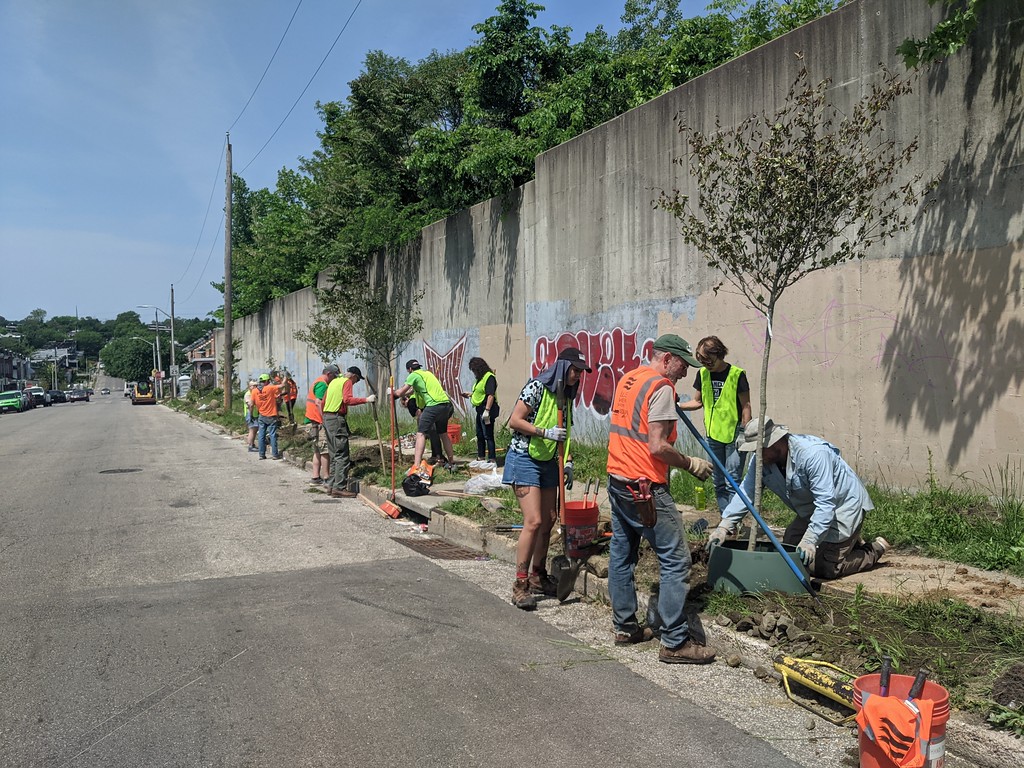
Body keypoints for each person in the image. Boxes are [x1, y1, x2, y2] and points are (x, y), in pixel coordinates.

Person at [606, 334, 716, 664]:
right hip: (646, 489)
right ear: (667, 359)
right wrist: (690, 463)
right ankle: (675, 642)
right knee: (676, 561)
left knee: (622, 554)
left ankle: (625, 627)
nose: (684, 373)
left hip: (618, 481)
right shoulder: (661, 388)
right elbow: (657, 446)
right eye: (682, 365)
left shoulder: (630, 378)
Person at [707, 417, 891, 579]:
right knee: (789, 552)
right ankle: (844, 543)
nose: (757, 455)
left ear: (774, 442)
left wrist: (811, 540)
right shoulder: (763, 460)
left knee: (823, 567)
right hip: (812, 509)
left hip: (842, 507)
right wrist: (725, 525)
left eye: (760, 449)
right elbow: (746, 492)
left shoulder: (812, 455)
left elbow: (826, 503)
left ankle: (872, 550)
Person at [503, 347, 589, 610]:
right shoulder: (537, 387)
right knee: (534, 520)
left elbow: (566, 431)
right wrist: (544, 432)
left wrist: (568, 461)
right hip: (524, 459)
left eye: (581, 372)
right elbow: (514, 421)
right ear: (562, 368)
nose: (577, 376)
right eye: (574, 370)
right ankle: (520, 584)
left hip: (548, 460)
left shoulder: (566, 395)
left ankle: (538, 575)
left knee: (550, 520)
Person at [677, 336, 751, 511]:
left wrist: (744, 433)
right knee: (717, 481)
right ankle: (725, 518)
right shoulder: (702, 374)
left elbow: (746, 406)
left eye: (708, 359)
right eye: (701, 360)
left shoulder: (736, 375)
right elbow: (697, 402)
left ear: (719, 354)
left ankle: (734, 523)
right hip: (713, 436)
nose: (705, 364)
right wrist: (677, 405)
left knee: (732, 480)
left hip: (734, 437)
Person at [388, 360, 455, 473]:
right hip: (446, 405)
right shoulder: (427, 374)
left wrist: (392, 392)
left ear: (409, 369)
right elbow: (412, 391)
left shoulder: (413, 375)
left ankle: (416, 465)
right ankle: (452, 463)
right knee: (443, 433)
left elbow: (400, 393)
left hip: (433, 405)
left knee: (421, 434)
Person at [322, 366, 377, 498]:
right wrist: (366, 400)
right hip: (336, 419)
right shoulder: (346, 382)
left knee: (334, 454)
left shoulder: (334, 381)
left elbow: (323, 401)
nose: (355, 383)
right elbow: (347, 400)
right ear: (353, 376)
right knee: (342, 455)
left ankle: (331, 485)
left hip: (327, 417)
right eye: (357, 380)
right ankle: (339, 487)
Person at [304, 364, 339, 486]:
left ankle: (315, 477)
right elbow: (319, 402)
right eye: (334, 376)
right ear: (329, 374)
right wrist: (324, 419)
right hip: (317, 422)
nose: (334, 379)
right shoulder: (322, 384)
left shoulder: (316, 381)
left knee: (317, 451)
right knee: (325, 451)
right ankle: (326, 477)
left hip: (312, 422)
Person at [461, 356, 499, 461]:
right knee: (480, 434)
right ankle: (481, 457)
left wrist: (487, 411)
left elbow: (490, 395)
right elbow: (480, 392)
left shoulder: (489, 377)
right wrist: (470, 394)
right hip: (480, 410)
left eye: (474, 370)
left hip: (487, 410)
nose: (474, 373)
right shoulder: (480, 379)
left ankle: (492, 458)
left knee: (488, 435)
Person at [252, 373, 283, 460]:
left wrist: (251, 414)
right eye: (268, 381)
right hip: (271, 415)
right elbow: (281, 386)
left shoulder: (254, 391)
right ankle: (274, 454)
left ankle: (261, 454)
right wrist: (285, 379)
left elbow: (251, 404)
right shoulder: (270, 388)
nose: (269, 382)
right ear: (266, 381)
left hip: (261, 415)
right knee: (272, 434)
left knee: (261, 434)